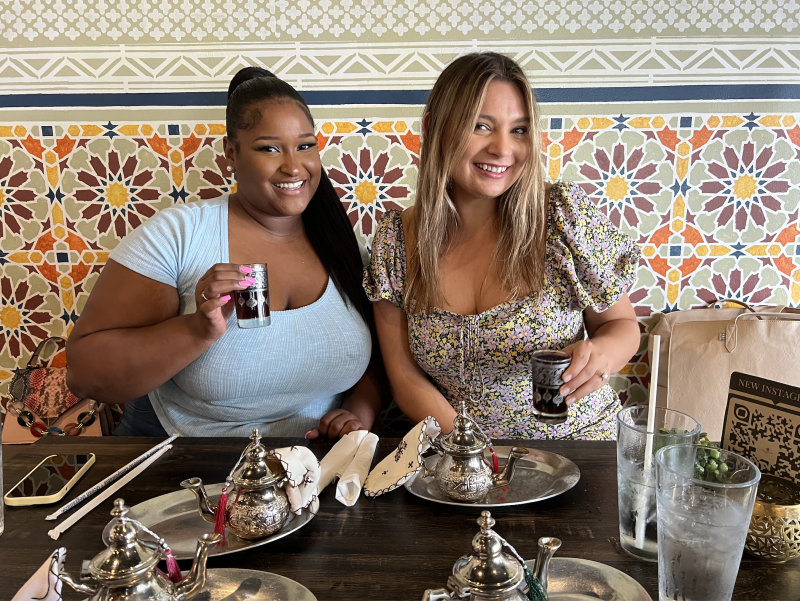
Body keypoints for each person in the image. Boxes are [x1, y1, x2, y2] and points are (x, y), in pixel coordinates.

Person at [66, 70, 383, 438]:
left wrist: (357, 412)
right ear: (231, 153)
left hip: (312, 469)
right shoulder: (179, 236)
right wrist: (196, 330)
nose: (294, 166)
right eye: (269, 148)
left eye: (305, 145)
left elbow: (380, 358)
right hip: (187, 468)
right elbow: (84, 374)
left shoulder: (342, 246)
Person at [364, 52, 641, 440]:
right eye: (481, 126)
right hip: (459, 457)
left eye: (520, 130)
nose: (502, 149)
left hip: (581, 448)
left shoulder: (563, 217)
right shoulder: (395, 242)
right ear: (433, 128)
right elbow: (405, 377)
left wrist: (602, 354)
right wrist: (473, 454)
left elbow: (622, 325)